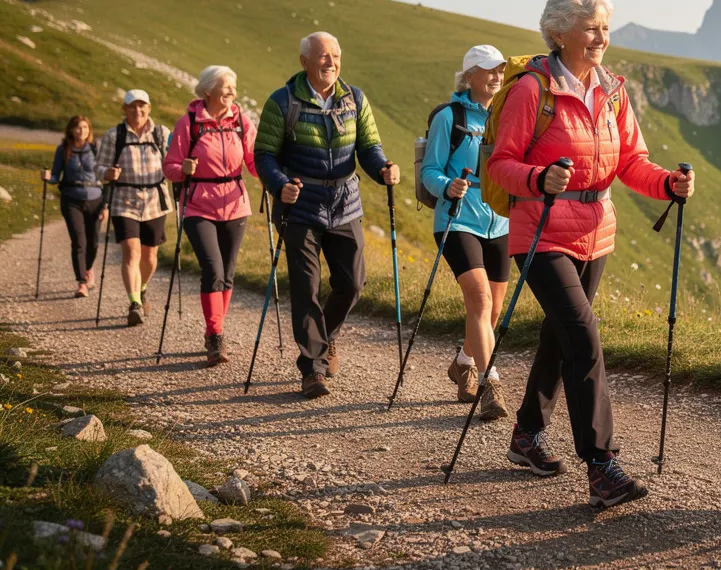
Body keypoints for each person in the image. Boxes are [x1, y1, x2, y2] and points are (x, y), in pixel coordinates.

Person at [487, 0, 694, 509]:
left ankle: (526, 434)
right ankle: (601, 465)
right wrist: (538, 178)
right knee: (582, 336)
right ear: (559, 33)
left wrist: (667, 183)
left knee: (561, 336)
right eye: (590, 28)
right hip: (540, 231)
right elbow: (501, 164)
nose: (601, 37)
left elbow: (631, 161)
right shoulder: (532, 91)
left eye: (604, 27)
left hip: (596, 232)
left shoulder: (613, 91)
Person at [255, 32, 398, 399]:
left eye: (335, 55)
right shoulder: (282, 101)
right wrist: (279, 185)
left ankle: (326, 335)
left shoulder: (355, 98)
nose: (330, 62)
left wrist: (382, 168)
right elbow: (264, 156)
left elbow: (369, 146)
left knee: (353, 283)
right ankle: (312, 368)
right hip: (300, 204)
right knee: (307, 287)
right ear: (304, 61)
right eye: (322, 56)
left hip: (345, 203)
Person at [421, 45, 510, 419]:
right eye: (489, 70)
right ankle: (491, 385)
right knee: (480, 300)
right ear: (470, 75)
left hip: (500, 221)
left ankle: (463, 363)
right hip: (456, 220)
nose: (497, 77)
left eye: (501, 71)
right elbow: (430, 170)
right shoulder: (449, 117)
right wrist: (447, 186)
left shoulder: (506, 117)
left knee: (493, 311)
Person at [163, 66, 258, 367]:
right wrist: (182, 170)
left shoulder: (241, 122)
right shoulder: (188, 123)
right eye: (226, 86)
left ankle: (215, 328)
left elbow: (254, 160)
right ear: (208, 90)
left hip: (235, 204)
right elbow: (170, 167)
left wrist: (273, 175)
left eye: (234, 86)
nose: (232, 92)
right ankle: (215, 334)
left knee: (227, 271)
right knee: (213, 269)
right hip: (198, 205)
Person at [95, 90, 174, 327]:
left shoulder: (161, 133)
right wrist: (107, 173)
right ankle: (135, 304)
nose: (137, 111)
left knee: (150, 257)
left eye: (142, 106)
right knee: (131, 252)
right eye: (132, 106)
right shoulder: (114, 135)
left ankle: (142, 289)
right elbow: (99, 168)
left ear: (149, 108)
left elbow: (172, 164)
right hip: (124, 201)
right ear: (125, 108)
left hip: (155, 201)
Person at [43, 116, 104, 298]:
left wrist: (106, 205)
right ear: (71, 130)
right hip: (71, 199)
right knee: (79, 241)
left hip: (95, 199)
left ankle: (88, 268)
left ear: (89, 130)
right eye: (77, 127)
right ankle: (82, 282)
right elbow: (56, 176)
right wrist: (48, 177)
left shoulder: (95, 148)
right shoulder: (63, 149)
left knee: (93, 242)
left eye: (85, 127)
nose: (81, 131)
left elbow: (105, 176)